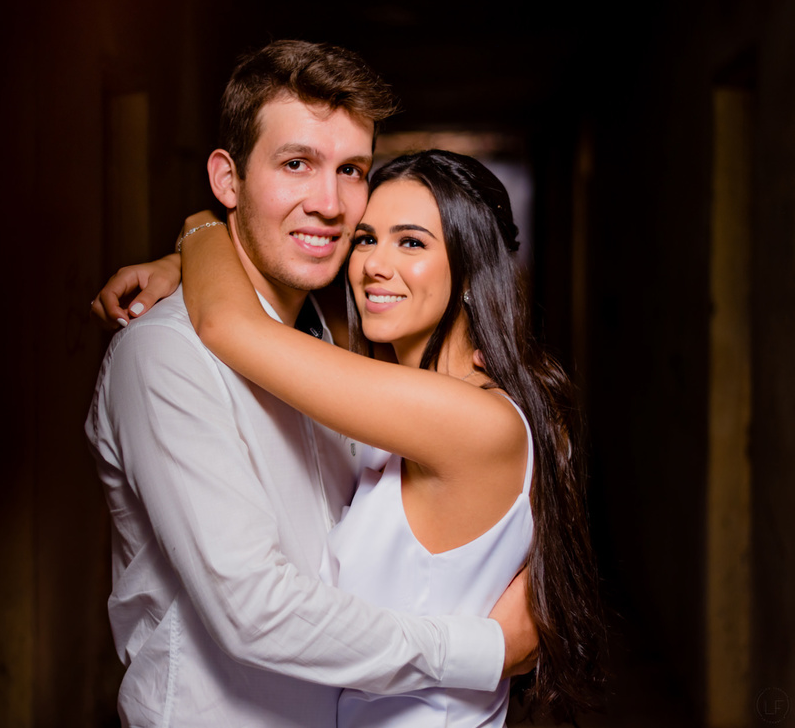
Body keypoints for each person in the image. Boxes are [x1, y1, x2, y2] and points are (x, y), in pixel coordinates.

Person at [85, 40, 538, 728]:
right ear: (228, 179)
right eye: (296, 163)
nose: (329, 204)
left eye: (350, 169)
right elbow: (256, 611)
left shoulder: (329, 355)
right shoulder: (167, 356)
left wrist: (200, 235)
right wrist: (481, 649)